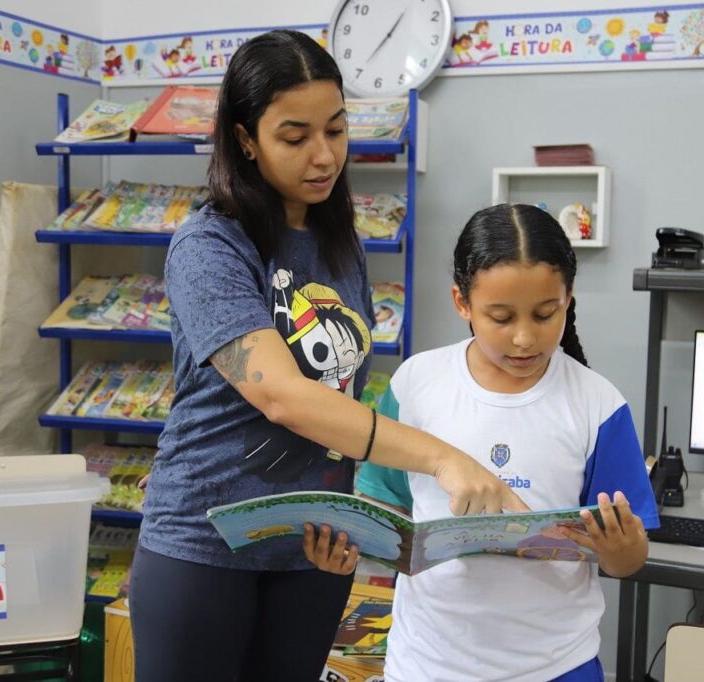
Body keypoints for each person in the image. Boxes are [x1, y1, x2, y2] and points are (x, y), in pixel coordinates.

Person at [129, 30, 526, 682]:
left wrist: (350, 514)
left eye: (336, 131)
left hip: (313, 553)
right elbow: (283, 395)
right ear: (246, 139)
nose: (324, 155)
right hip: (204, 544)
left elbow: (342, 390)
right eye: (295, 137)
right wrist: (442, 458)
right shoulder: (210, 245)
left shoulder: (340, 242)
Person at [304, 203, 660, 682]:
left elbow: (627, 561)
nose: (523, 338)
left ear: (568, 298)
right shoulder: (416, 384)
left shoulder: (597, 404)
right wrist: (346, 548)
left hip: (555, 666)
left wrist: (622, 548)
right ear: (462, 303)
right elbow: (381, 508)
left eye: (544, 314)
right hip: (428, 664)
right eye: (500, 316)